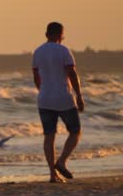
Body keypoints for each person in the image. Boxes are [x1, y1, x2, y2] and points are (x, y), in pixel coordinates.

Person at [32, 21, 85, 183]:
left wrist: (43, 91)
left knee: (49, 136)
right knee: (75, 131)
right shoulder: (64, 51)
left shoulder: (38, 52)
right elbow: (72, 74)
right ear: (60, 35)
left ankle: (52, 175)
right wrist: (79, 95)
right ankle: (61, 162)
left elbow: (36, 77)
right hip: (64, 98)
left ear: (46, 34)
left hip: (44, 99)